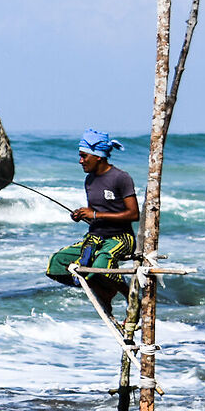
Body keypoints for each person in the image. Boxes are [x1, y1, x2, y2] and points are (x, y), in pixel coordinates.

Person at [45, 130, 140, 319]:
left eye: (84, 156)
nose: (80, 161)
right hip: (95, 238)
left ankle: (127, 293)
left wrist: (95, 213)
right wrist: (83, 216)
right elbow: (96, 217)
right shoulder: (89, 180)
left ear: (98, 157)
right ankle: (104, 291)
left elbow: (133, 214)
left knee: (100, 266)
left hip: (121, 237)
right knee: (56, 263)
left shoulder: (121, 178)